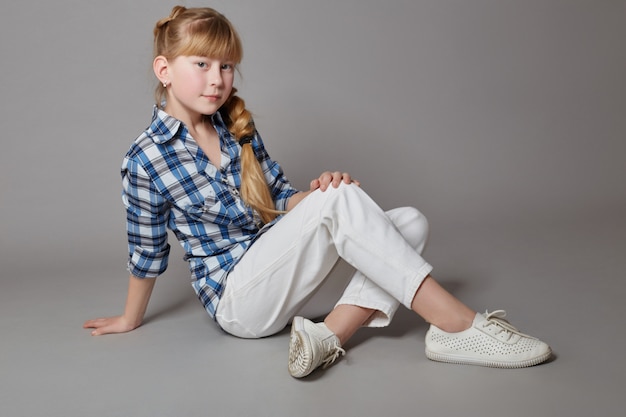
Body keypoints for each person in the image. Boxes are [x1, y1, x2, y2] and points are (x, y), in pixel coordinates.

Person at [83, 5, 551, 378]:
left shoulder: (234, 129)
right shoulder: (145, 157)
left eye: (227, 66)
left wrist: (322, 192)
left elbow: (282, 198)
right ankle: (458, 325)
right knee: (350, 208)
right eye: (201, 63)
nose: (217, 78)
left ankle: (327, 336)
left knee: (410, 220)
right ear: (164, 70)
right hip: (237, 301)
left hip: (272, 268)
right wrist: (130, 318)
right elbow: (146, 248)